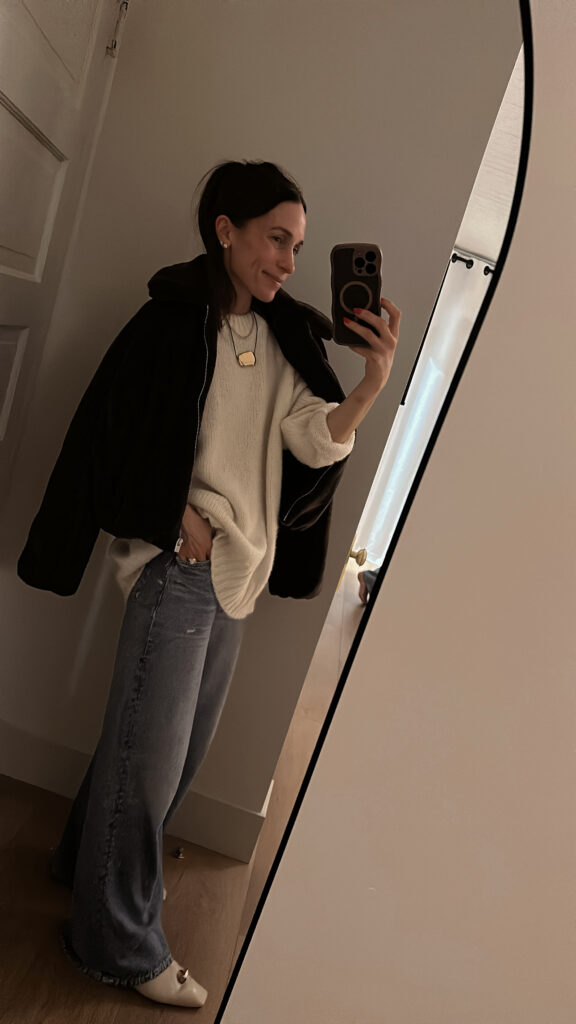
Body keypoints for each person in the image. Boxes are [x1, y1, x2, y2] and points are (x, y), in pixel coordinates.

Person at [17, 160, 401, 1008]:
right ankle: (114, 943)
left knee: (161, 752)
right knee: (151, 766)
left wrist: (371, 385)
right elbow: (111, 435)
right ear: (226, 230)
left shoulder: (285, 334)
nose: (288, 263)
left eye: (298, 247)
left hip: (238, 572)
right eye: (276, 240)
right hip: (179, 568)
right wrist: (172, 518)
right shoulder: (168, 322)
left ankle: (79, 863)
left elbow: (310, 439)